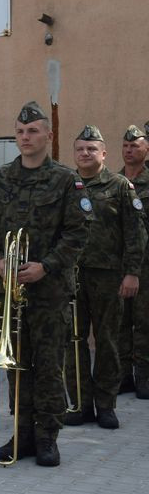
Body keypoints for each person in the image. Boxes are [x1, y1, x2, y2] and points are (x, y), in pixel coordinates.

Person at [0, 101, 90, 467]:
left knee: (50, 364)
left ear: (48, 136)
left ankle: (48, 437)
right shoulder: (0, 178)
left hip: (49, 290)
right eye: (20, 132)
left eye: (33, 131)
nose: (25, 137)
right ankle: (21, 434)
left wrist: (47, 266)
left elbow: (78, 232)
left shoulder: (66, 180)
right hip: (7, 292)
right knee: (15, 364)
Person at [63, 125, 145, 429]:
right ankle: (81, 404)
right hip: (70, 277)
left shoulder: (120, 186)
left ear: (103, 153)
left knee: (108, 342)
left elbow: (135, 234)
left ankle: (106, 404)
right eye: (80, 149)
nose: (85, 154)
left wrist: (132, 273)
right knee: (73, 341)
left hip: (109, 277)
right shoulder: (65, 185)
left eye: (91, 149)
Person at [118, 124, 149, 399]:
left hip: (146, 267)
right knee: (119, 323)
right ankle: (123, 375)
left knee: (144, 322)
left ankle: (145, 377)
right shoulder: (113, 182)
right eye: (126, 146)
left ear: (146, 149)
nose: (129, 150)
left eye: (135, 145)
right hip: (116, 266)